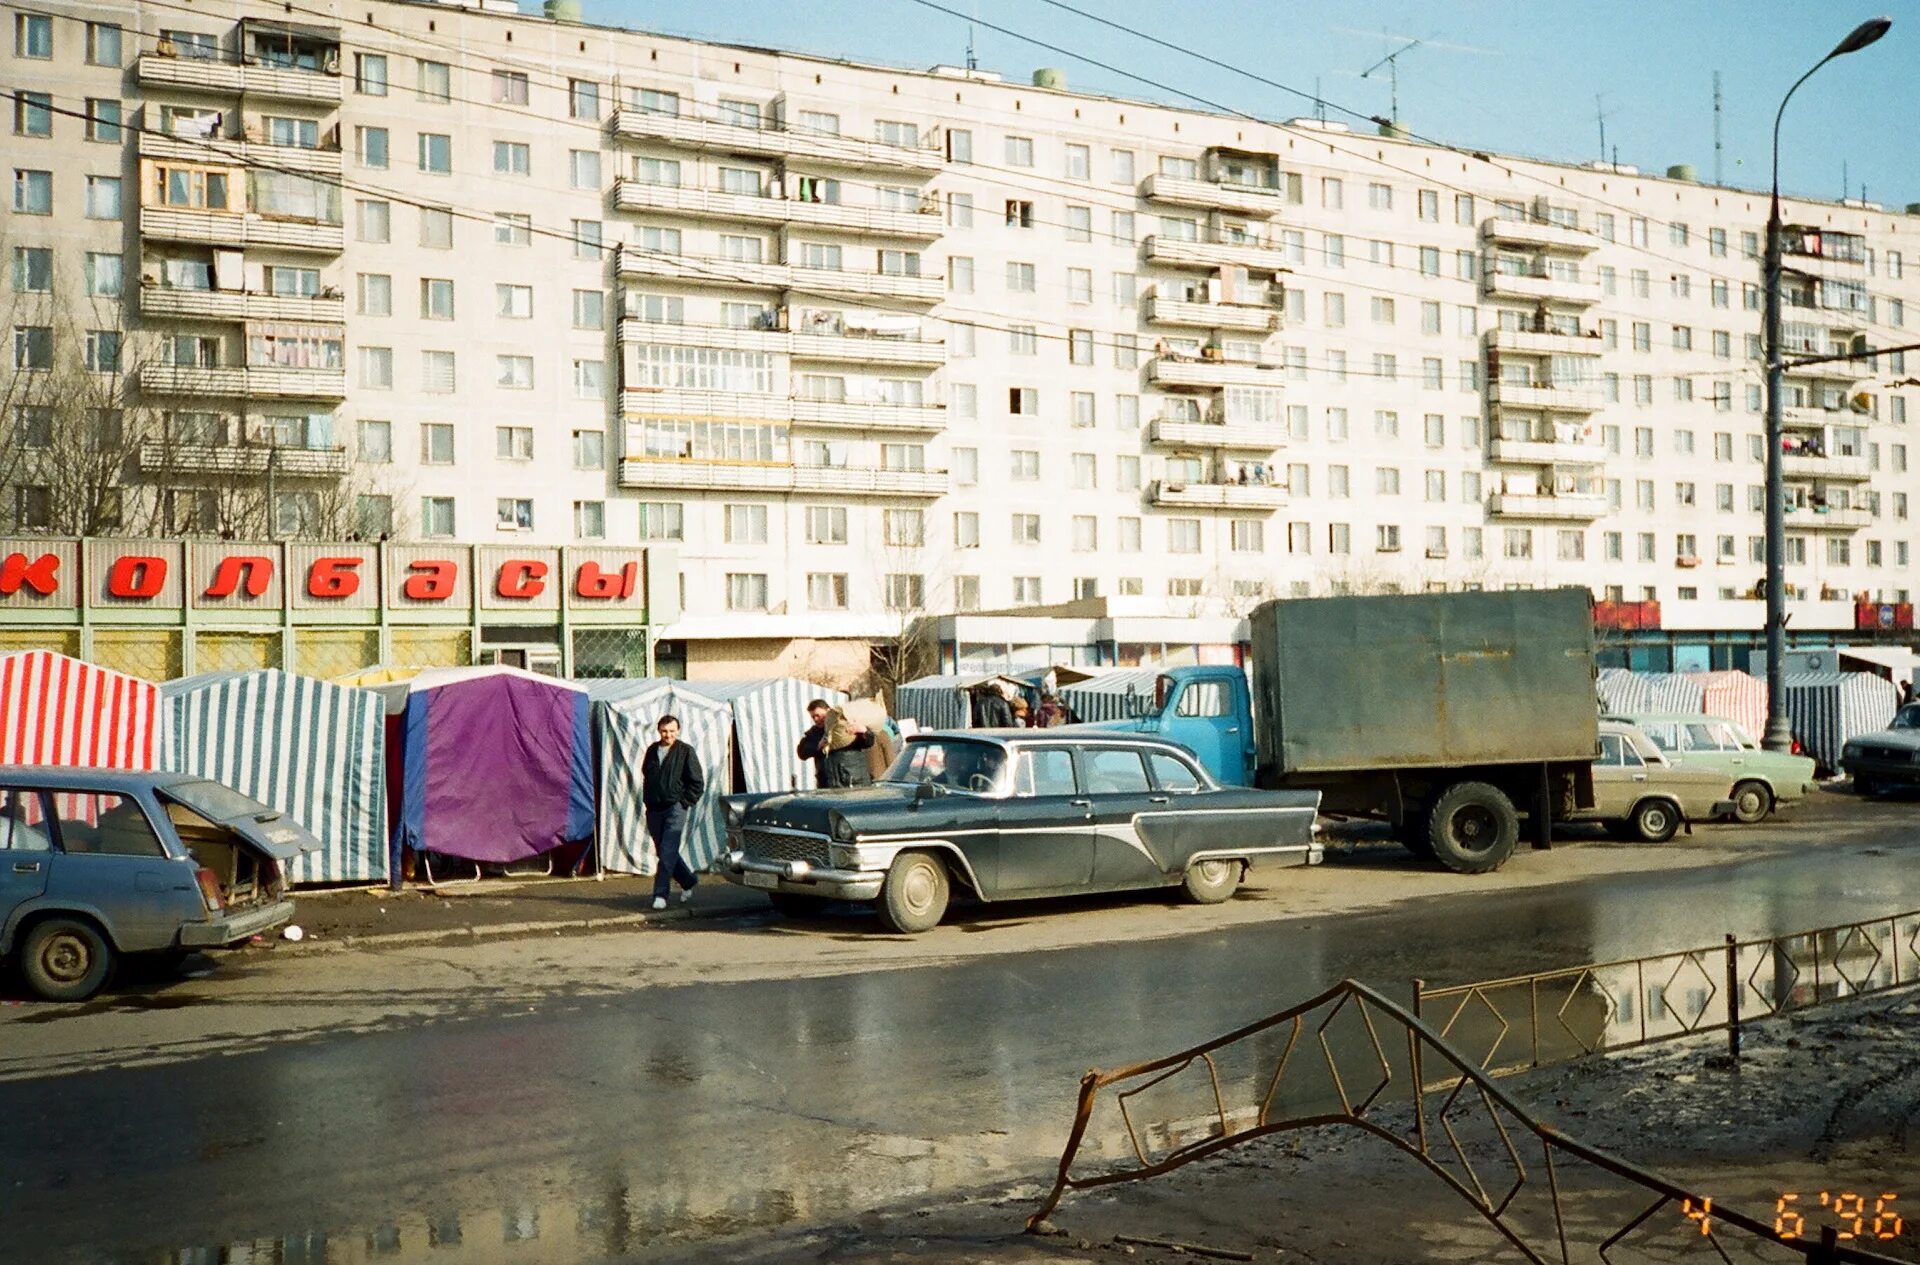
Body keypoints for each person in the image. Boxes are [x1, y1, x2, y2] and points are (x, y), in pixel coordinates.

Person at [641, 714, 704, 911]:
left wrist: (684, 802)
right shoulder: (652, 750)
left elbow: (697, 782)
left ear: (678, 731)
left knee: (668, 849)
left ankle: (660, 894)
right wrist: (649, 799)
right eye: (664, 731)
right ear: (659, 730)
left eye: (671, 731)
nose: (668, 735)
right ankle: (688, 881)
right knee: (664, 850)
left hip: (675, 807)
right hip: (654, 809)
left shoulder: (685, 751)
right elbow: (647, 774)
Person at [796, 698, 835, 788]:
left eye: (818, 715)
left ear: (828, 711)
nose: (816, 719)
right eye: (813, 717)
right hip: (826, 783)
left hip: (851, 781)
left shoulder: (844, 726)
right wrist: (818, 746)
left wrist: (864, 732)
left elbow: (868, 742)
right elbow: (802, 752)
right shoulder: (813, 733)